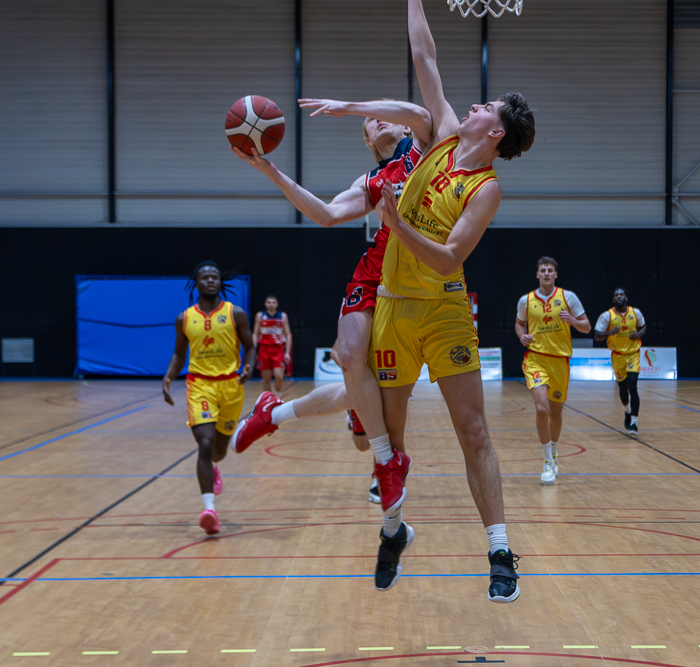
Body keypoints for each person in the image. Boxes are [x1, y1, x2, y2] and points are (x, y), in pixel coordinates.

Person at [361, 0, 535, 601]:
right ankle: (393, 529)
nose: (474, 104)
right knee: (392, 443)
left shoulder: (486, 189)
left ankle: (499, 550)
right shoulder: (438, 130)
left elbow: (449, 257)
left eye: (486, 107)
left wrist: (395, 223)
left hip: (443, 309)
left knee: (474, 431)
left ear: (495, 132)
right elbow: (424, 54)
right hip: (392, 306)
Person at [228, 99, 433, 506]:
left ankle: (273, 413)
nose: (377, 121)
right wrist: (273, 172)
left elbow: (422, 113)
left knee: (376, 392)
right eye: (370, 124)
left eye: (383, 116)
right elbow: (325, 214)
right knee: (351, 355)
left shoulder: (425, 147)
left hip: (419, 281)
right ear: (370, 141)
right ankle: (386, 463)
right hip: (376, 274)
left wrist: (353, 107)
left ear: (404, 127)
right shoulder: (370, 181)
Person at [162, 262, 254, 535]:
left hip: (231, 387)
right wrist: (168, 377)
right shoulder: (184, 318)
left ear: (219, 282)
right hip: (199, 386)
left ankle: (214, 469)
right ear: (197, 282)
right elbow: (179, 354)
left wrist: (249, 367)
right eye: (205, 277)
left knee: (219, 452)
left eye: (215, 276)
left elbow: (250, 347)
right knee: (204, 442)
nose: (211, 280)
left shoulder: (236, 314)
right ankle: (209, 509)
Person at [515, 257, 590, 484]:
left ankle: (555, 453)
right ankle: (547, 461)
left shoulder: (568, 297)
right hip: (536, 359)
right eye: (542, 270)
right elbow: (519, 323)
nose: (546, 273)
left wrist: (573, 321)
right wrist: (522, 336)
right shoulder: (525, 300)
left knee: (556, 413)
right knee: (541, 408)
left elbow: (587, 327)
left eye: (550, 270)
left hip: (560, 362)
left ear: (556, 274)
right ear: (537, 274)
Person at [594, 288, 647, 436]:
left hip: (633, 354)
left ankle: (634, 424)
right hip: (617, 356)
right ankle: (627, 411)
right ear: (613, 300)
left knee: (633, 386)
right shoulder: (607, 316)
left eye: (621, 294)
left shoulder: (635, 313)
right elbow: (597, 336)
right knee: (623, 389)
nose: (619, 296)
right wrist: (610, 333)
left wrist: (638, 335)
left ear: (626, 297)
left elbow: (643, 328)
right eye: (616, 295)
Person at [252, 295, 292, 395]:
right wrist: (253, 350)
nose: (271, 304)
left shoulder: (282, 316)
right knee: (266, 377)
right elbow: (256, 334)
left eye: (273, 302)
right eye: (269, 302)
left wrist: (287, 353)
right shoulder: (260, 316)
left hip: (278, 349)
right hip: (264, 349)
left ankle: (277, 396)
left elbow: (288, 335)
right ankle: (268, 399)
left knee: (279, 376)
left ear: (277, 304)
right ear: (265, 304)